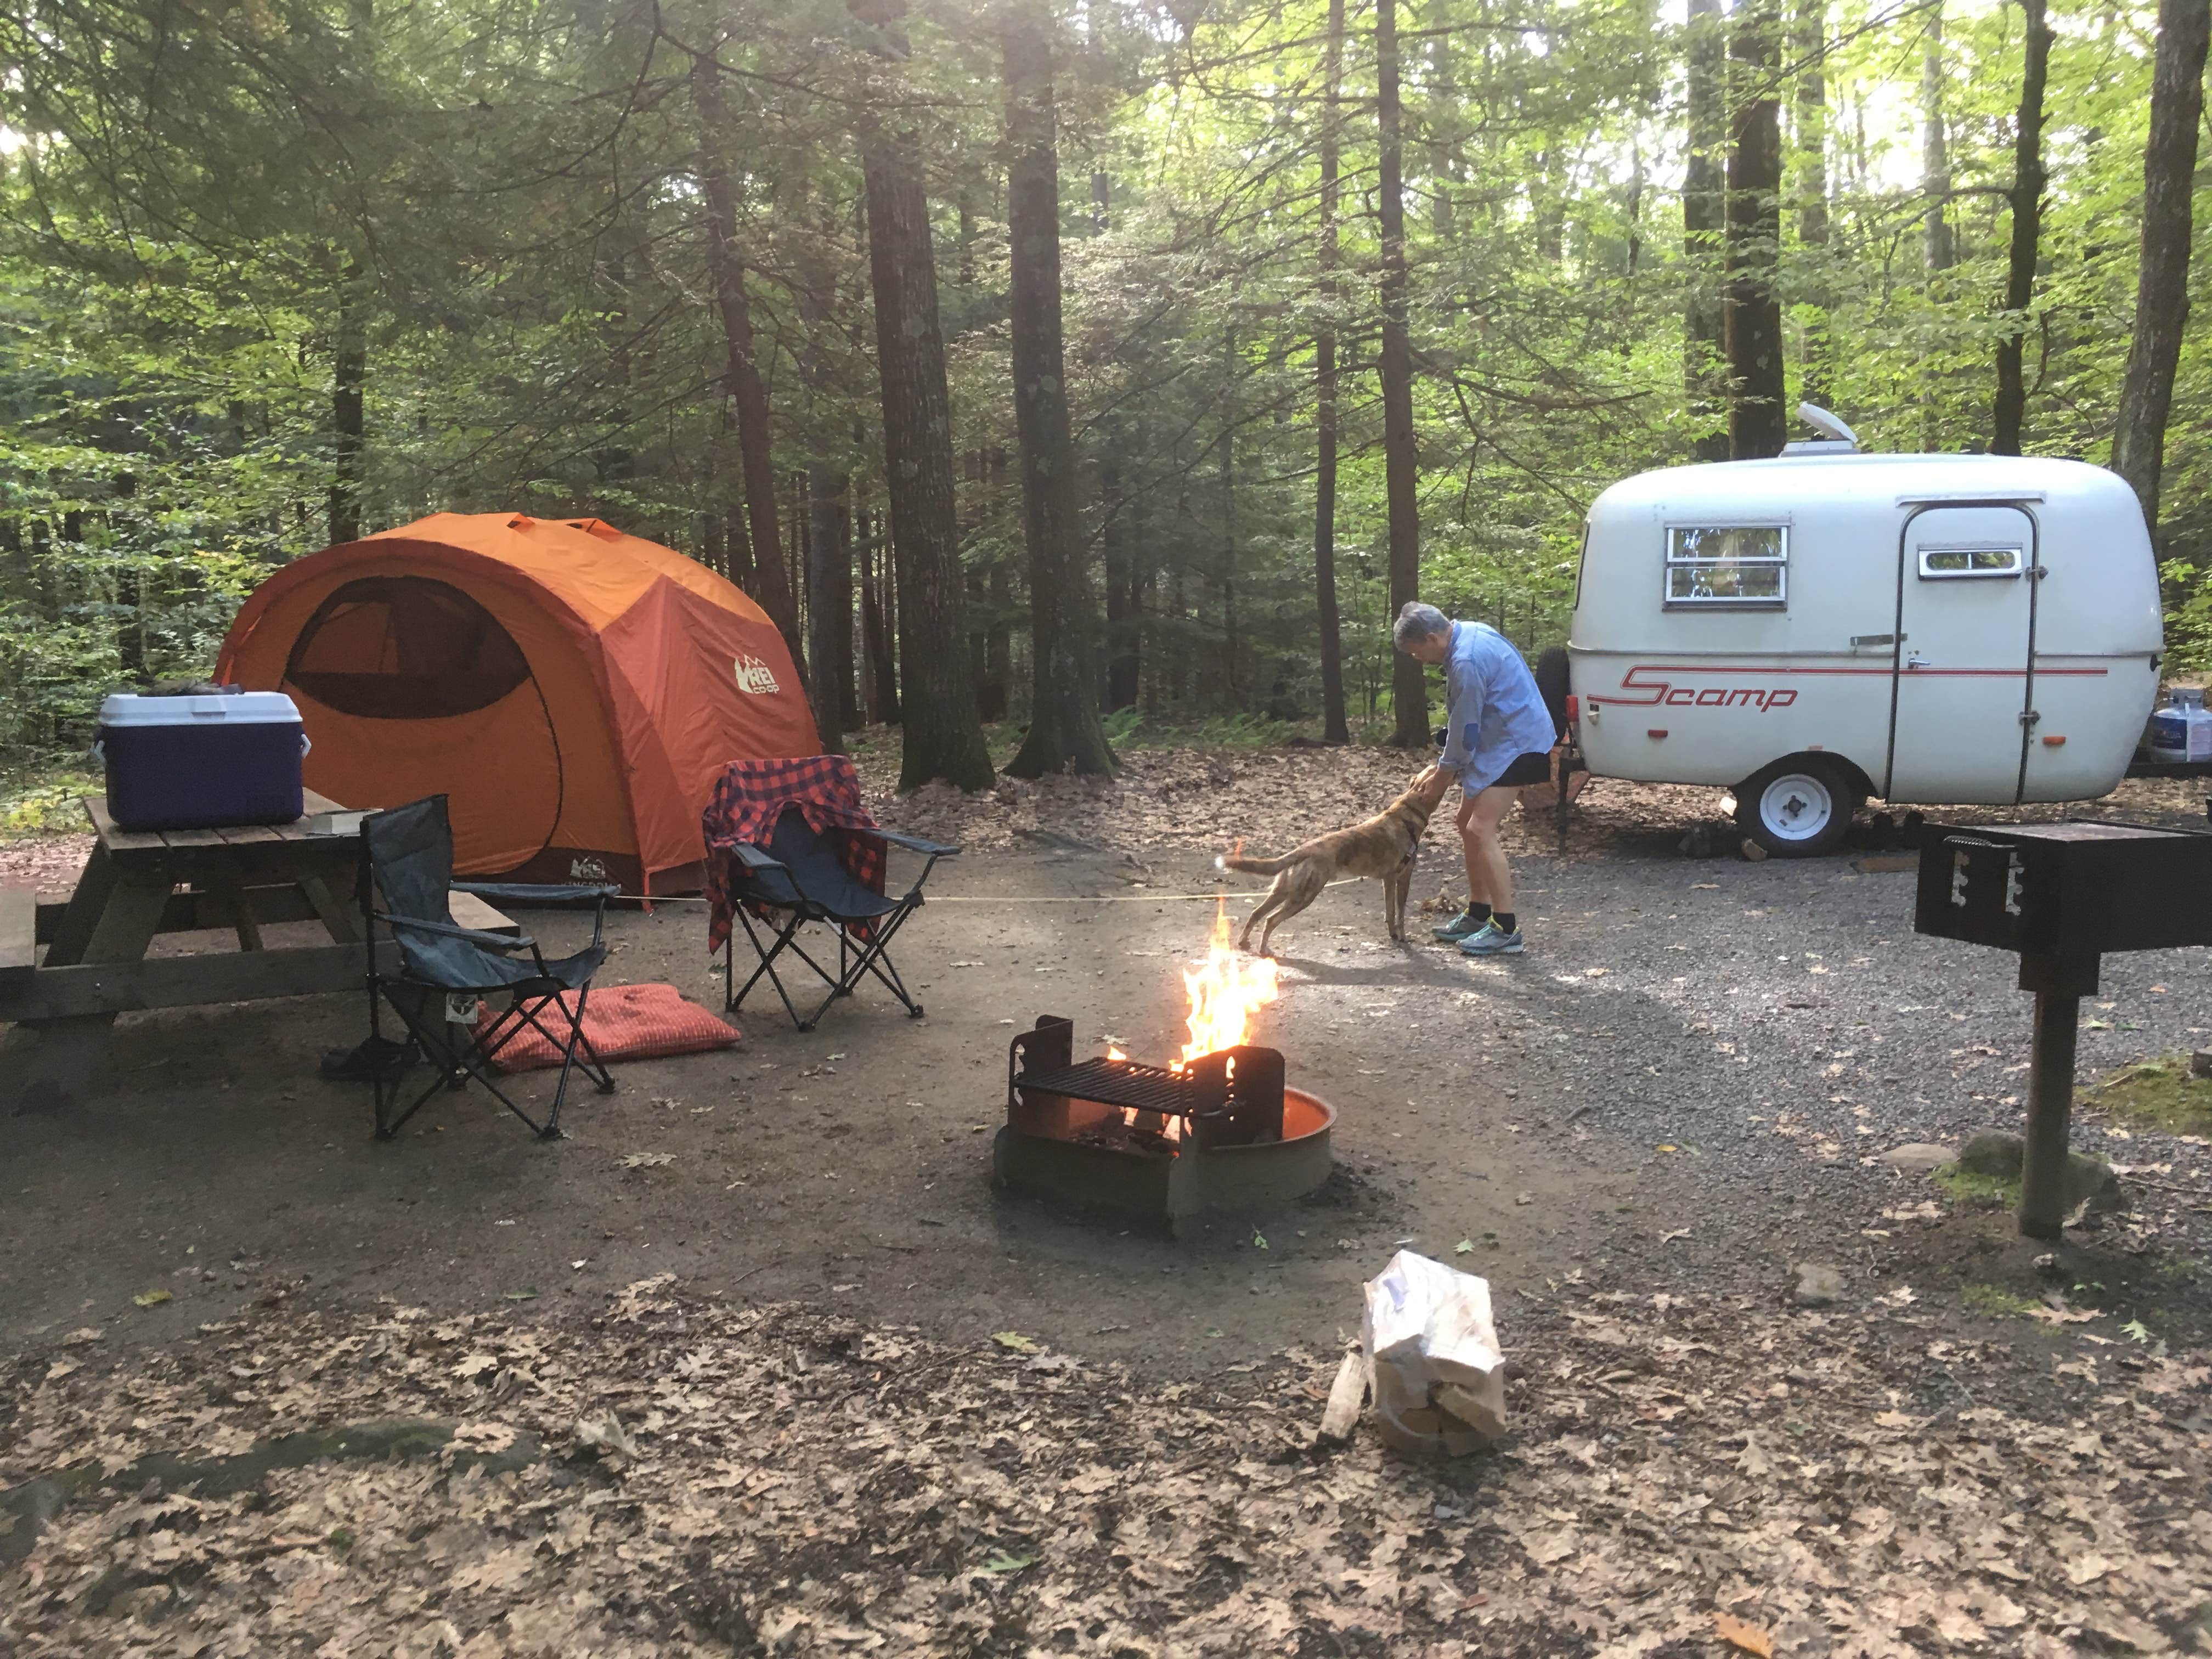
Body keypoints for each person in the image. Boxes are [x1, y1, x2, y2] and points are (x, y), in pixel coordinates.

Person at [1392, 601, 1557, 956]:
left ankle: (1506, 928)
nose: (1416, 659)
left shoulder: (1466, 661)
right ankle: (1479, 913)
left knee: (1480, 829)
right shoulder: (1467, 633)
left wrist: (1441, 778)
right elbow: (1465, 721)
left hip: (1519, 744)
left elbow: (1466, 730)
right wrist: (1439, 766)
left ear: (1433, 637)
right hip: (1500, 740)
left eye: (1416, 651)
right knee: (1464, 821)